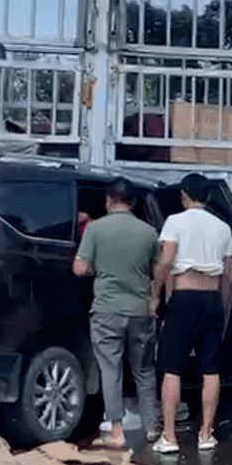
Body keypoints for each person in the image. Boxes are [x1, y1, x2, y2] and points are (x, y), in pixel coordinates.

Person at [150, 173, 232, 454]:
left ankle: (170, 437)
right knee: (211, 368)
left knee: (172, 367)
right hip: (211, 298)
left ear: (184, 195)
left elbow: (166, 261)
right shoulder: (222, 227)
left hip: (184, 297)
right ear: (209, 197)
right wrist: (223, 307)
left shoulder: (175, 221)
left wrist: (155, 294)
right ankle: (206, 433)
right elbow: (229, 274)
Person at [73, 178, 160, 448]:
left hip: (107, 310)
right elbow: (156, 272)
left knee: (110, 370)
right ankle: (151, 427)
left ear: (109, 200)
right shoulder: (149, 232)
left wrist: (94, 268)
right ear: (133, 202)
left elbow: (79, 268)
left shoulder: (96, 230)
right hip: (140, 310)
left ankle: (117, 431)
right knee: (144, 369)